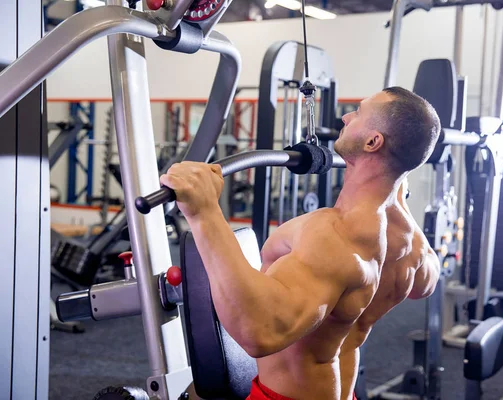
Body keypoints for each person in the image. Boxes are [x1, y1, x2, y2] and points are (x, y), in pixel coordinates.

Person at [161, 87, 442, 400]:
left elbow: (260, 332)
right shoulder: (410, 241)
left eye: (358, 113)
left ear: (373, 142)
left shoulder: (334, 234)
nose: (346, 117)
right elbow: (424, 286)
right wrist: (396, 185)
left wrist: (203, 211)